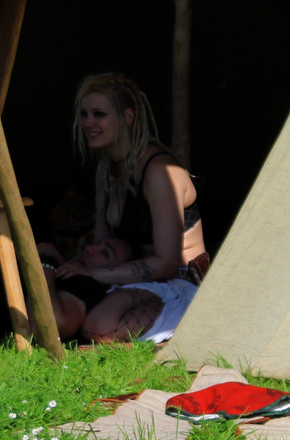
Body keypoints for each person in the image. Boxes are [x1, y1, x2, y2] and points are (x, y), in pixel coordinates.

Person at [38, 73, 209, 344]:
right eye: (84, 114)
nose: (88, 123)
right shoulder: (106, 169)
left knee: (99, 325)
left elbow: (166, 263)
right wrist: (78, 268)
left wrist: (94, 274)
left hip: (179, 282)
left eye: (99, 114)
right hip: (127, 278)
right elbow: (106, 243)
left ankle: (172, 335)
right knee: (68, 302)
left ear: (127, 117)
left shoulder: (159, 171)